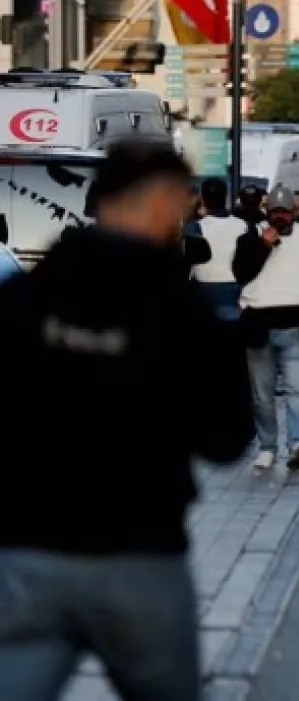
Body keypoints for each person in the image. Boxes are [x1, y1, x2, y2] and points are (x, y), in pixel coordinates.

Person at [0, 139, 253, 701]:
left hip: (26, 554)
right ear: (163, 202)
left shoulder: (26, 296)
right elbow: (228, 438)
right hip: (140, 554)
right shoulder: (183, 313)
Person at [234, 184, 299, 471]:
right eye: (275, 212)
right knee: (262, 395)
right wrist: (262, 246)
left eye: (285, 212)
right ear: (267, 212)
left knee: (296, 391)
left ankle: (298, 443)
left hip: (296, 328)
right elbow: (241, 272)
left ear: (295, 212)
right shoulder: (251, 238)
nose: (280, 218)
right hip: (259, 329)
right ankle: (267, 446)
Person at [187, 177, 251, 322]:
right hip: (238, 293)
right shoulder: (244, 226)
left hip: (205, 292)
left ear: (202, 199)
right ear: (226, 197)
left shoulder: (194, 227)